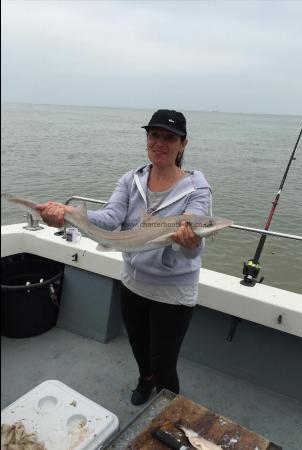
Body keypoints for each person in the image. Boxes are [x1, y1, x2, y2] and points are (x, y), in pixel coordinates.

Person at [37, 109, 212, 405]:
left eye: (169, 137)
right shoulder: (131, 180)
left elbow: (192, 247)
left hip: (174, 291)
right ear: (146, 138)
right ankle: (145, 382)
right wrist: (70, 216)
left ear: (183, 144)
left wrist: (191, 242)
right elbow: (111, 217)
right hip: (133, 283)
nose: (159, 142)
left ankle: (168, 411)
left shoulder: (197, 189)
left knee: (164, 362)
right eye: (154, 135)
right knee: (139, 345)